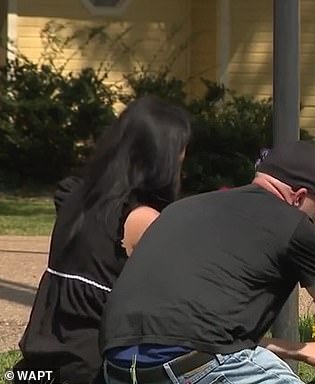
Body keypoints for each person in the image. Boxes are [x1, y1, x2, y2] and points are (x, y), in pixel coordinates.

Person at [99, 140, 315, 384]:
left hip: (119, 366)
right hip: (195, 367)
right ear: (299, 197)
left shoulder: (182, 209)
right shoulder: (294, 225)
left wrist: (295, 349)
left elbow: (189, 329)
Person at [14, 95, 191, 384]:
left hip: (35, 366)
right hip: (92, 370)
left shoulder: (74, 197)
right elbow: (183, 306)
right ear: (163, 158)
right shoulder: (140, 220)